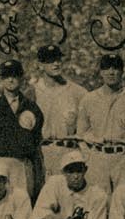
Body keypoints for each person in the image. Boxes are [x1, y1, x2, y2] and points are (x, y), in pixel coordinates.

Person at [75, 53, 125, 198]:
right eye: (106, 68)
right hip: (98, 158)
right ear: (100, 72)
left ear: (122, 71)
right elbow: (81, 134)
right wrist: (89, 158)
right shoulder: (89, 99)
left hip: (124, 157)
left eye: (116, 68)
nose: (111, 72)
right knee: (98, 202)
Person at [0, 58, 45, 199]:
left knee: (22, 204)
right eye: (6, 76)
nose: (11, 80)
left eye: (14, 76)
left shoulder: (31, 107)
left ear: (21, 78)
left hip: (21, 164)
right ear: (1, 79)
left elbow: (36, 139)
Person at [29, 44, 86, 184]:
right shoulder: (32, 92)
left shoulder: (78, 92)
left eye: (58, 59)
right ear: (40, 65)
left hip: (68, 152)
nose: (55, 63)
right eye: (49, 61)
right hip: (42, 153)